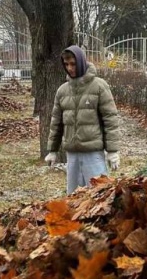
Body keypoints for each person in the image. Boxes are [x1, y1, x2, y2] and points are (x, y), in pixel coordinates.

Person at [45, 45, 121, 195]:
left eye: (73, 64)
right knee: (74, 197)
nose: (70, 68)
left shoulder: (99, 86)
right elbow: (56, 123)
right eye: (66, 64)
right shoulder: (62, 91)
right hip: (72, 154)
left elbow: (110, 119)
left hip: (93, 153)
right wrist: (52, 150)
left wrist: (112, 151)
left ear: (81, 62)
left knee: (99, 194)